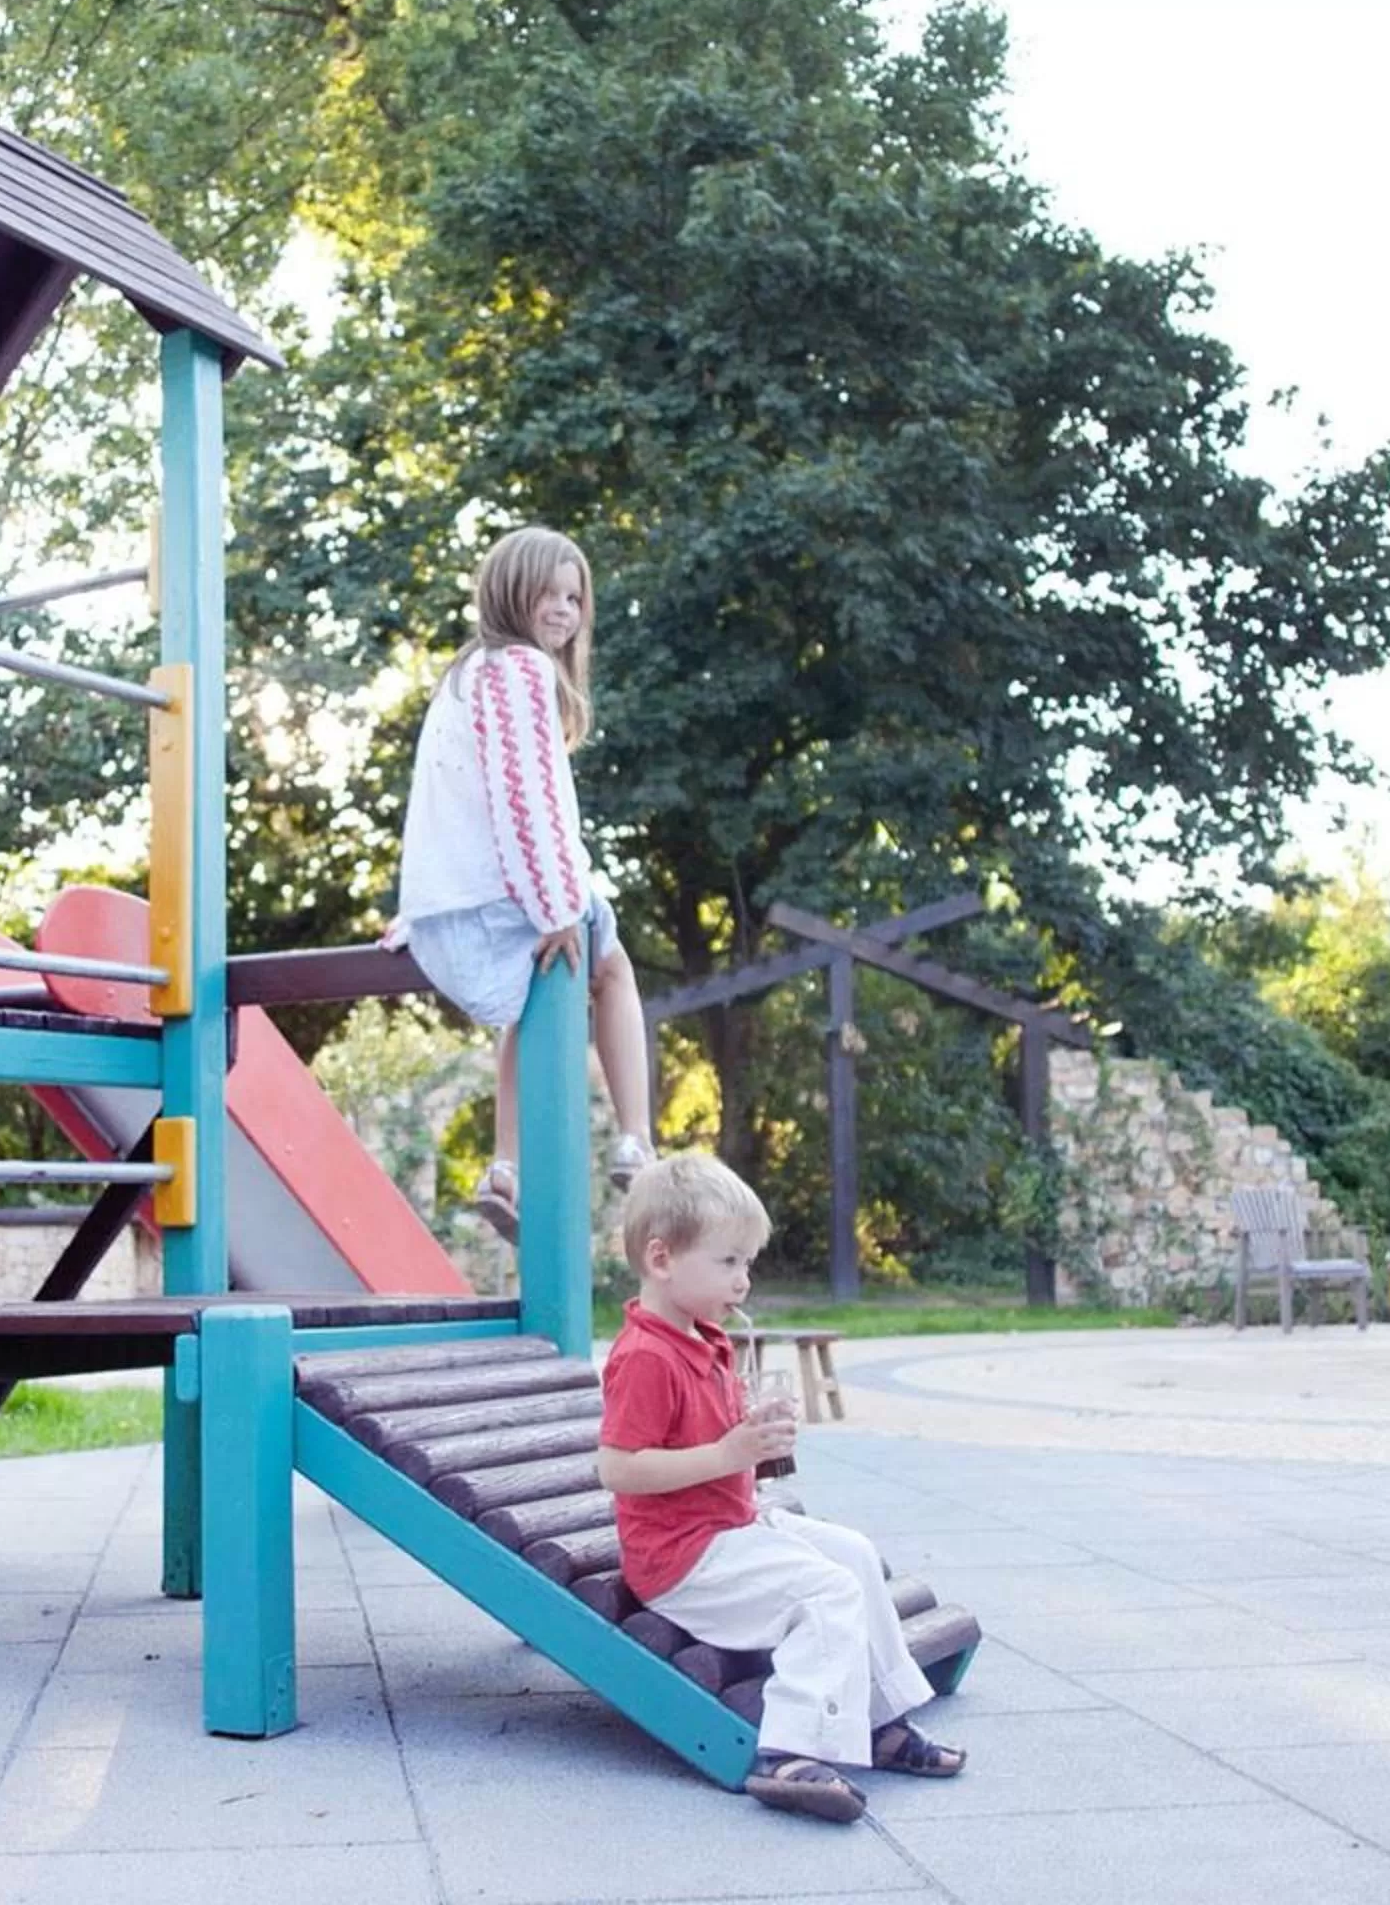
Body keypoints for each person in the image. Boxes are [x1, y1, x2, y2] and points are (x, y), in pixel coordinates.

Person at [597, 1152, 967, 1823]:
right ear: (661, 1259)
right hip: (682, 1558)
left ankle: (878, 1720)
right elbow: (620, 1468)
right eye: (729, 1261)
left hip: (732, 1527)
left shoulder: (702, 1339)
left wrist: (752, 1437)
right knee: (825, 1592)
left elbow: (708, 1443)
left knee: (851, 1553)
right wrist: (727, 1452)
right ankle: (791, 1752)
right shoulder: (645, 1355)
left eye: (747, 1262)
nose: (744, 1279)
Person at [392, 524, 654, 1235]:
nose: (566, 610)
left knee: (530, 1006)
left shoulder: (464, 675)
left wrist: (415, 908)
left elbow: (440, 802)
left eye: (576, 597)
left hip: (455, 902)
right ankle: (637, 1138)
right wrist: (558, 906)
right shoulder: (519, 671)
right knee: (612, 970)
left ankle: (504, 1169)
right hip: (512, 896)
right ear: (513, 590)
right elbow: (525, 800)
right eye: (551, 592)